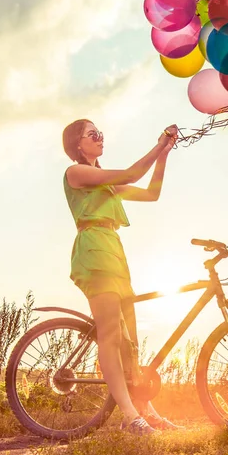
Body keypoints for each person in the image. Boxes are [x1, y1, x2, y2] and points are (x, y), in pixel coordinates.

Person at [62, 119, 181, 435]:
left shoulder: (107, 184)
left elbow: (152, 193)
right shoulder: (76, 173)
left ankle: (145, 409)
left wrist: (165, 153)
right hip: (93, 250)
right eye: (93, 134)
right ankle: (130, 416)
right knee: (111, 336)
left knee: (131, 343)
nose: (101, 138)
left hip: (114, 250)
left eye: (101, 133)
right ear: (77, 144)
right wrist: (158, 144)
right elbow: (131, 173)